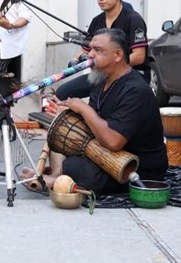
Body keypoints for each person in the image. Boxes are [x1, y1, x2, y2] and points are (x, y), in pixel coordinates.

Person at [23, 28, 167, 194]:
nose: (90, 54)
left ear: (118, 55)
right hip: (103, 154)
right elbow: (93, 127)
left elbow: (113, 142)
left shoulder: (135, 90)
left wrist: (83, 108)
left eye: (98, 50)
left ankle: (56, 179)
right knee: (59, 137)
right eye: (91, 49)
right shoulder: (101, 80)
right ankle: (57, 175)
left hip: (136, 167)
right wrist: (66, 117)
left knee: (77, 167)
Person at [56, 0, 149, 100]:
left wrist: (106, 64)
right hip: (103, 75)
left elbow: (139, 56)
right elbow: (85, 50)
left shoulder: (134, 19)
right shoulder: (96, 21)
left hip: (130, 75)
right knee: (62, 92)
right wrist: (75, 59)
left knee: (99, 100)